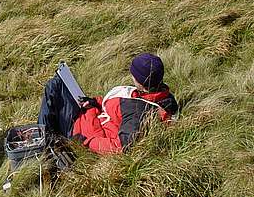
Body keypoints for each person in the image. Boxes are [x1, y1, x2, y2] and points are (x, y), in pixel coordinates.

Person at [37, 53, 178, 154]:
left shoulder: (137, 112)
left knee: (54, 86)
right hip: (91, 115)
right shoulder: (161, 96)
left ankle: (41, 147)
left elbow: (121, 146)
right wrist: (95, 102)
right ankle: (45, 137)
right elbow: (116, 108)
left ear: (139, 79)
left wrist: (86, 141)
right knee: (60, 83)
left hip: (79, 130)